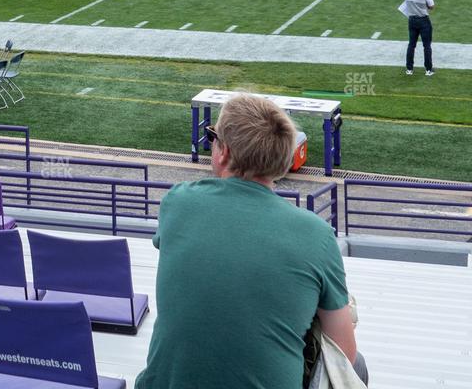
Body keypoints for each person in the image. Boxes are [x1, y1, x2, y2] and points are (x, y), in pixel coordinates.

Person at [134, 93, 364, 389]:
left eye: (213, 137)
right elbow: (345, 353)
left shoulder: (178, 201)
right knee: (360, 367)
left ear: (224, 152)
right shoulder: (316, 234)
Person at [401, 0, 435, 76]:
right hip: (423, 20)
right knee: (427, 46)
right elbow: (431, 6)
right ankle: (428, 69)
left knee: (411, 45)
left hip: (411, 20)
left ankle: (409, 69)